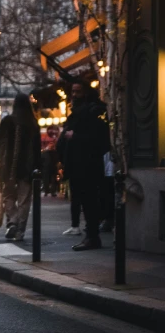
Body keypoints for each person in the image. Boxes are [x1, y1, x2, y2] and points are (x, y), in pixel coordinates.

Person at [56, 80, 110, 251]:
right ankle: (90, 236)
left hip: (88, 165)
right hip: (77, 164)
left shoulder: (94, 111)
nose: (74, 95)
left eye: (78, 91)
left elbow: (100, 140)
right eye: (73, 91)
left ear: (86, 93)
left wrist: (75, 136)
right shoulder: (79, 112)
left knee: (90, 202)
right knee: (85, 202)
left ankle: (92, 237)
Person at [0, 93, 41, 242]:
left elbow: (0, 146)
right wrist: (38, 170)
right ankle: (19, 230)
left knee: (7, 197)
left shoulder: (7, 121)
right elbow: (37, 150)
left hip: (8, 167)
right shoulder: (33, 123)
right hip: (27, 168)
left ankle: (12, 221)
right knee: (24, 200)